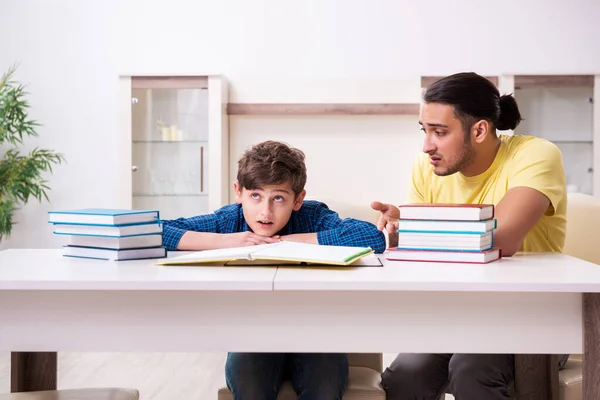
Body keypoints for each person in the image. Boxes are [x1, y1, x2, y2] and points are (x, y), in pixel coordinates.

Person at [371, 72, 568, 400]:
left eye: (440, 132)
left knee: (471, 367)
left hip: (534, 315)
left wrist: (419, 229)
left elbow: (499, 240)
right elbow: (421, 256)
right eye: (425, 131)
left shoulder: (536, 155)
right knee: (406, 375)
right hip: (459, 314)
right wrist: (398, 233)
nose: (426, 146)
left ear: (479, 130)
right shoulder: (427, 168)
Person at [162, 140, 386, 400]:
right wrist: (225, 241)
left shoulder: (312, 216)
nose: (265, 211)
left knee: (325, 383)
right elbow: (157, 229)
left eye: (278, 198)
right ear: (239, 192)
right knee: (249, 381)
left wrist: (292, 240)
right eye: (255, 196)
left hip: (315, 334)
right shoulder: (230, 220)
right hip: (253, 335)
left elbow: (372, 237)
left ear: (298, 199)